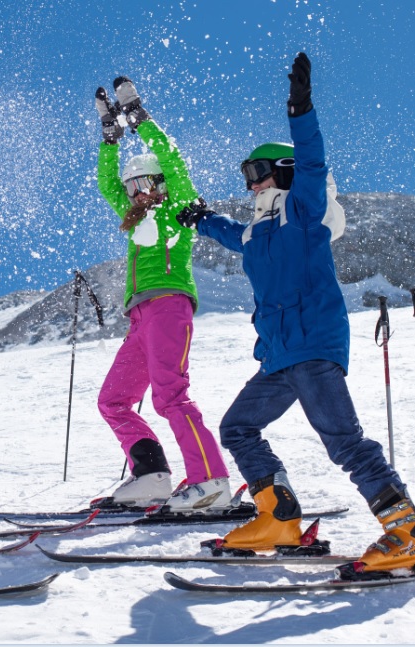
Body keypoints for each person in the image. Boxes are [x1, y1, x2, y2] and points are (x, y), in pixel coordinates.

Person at [177, 52, 413, 577]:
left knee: (343, 441)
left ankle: (406, 527)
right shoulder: (256, 232)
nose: (251, 184)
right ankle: (278, 517)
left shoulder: (304, 214)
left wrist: (300, 109)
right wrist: (197, 217)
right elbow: (225, 232)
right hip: (279, 357)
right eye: (246, 175)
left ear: (280, 173)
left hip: (312, 346)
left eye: (257, 172)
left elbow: (313, 160)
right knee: (238, 428)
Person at [93, 76, 232, 512]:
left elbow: (173, 159)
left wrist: (139, 119)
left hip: (170, 307)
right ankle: (151, 476)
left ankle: (210, 482)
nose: (135, 194)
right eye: (132, 188)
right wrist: (109, 140)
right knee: (114, 399)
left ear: (161, 184)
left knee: (170, 395)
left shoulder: (176, 206)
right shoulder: (133, 217)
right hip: (139, 318)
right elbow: (106, 185)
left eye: (143, 185)